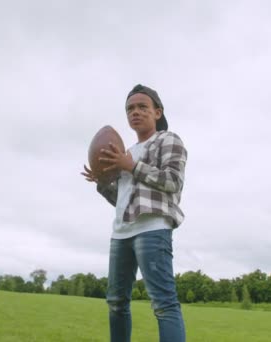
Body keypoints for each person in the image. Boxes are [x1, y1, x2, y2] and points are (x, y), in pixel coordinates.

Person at [81, 84, 188, 342]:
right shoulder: (126, 152)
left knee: (163, 304)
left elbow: (173, 181)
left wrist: (133, 166)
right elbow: (124, 199)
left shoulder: (168, 139)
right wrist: (102, 182)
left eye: (142, 107)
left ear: (158, 112)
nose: (135, 112)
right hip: (121, 233)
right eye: (130, 108)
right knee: (116, 302)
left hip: (152, 229)